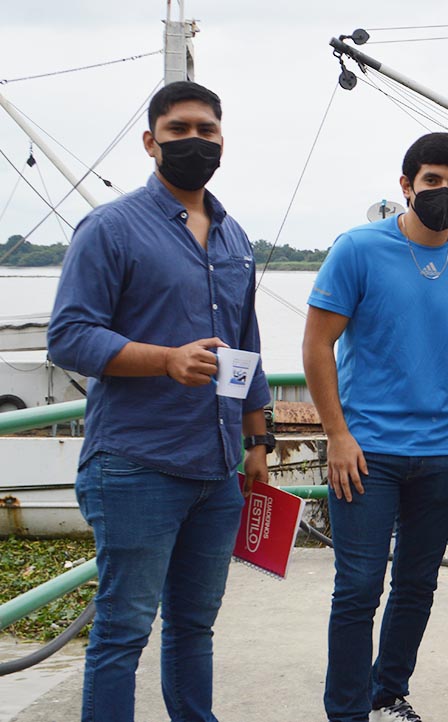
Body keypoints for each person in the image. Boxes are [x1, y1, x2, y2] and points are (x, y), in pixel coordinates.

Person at [47, 80, 271, 722]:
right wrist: (165, 359)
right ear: (151, 141)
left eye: (207, 131)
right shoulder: (110, 228)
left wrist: (256, 442)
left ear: (222, 142)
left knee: (195, 627)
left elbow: (246, 344)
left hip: (218, 469)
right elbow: (69, 335)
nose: (194, 141)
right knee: (122, 631)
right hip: (137, 465)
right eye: (179, 130)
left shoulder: (234, 238)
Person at [302, 132, 448, 722]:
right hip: (365, 449)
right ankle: (347, 711)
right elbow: (316, 345)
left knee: (417, 585)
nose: (444, 191)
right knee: (358, 587)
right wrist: (337, 433)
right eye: (432, 180)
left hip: (440, 449)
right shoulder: (359, 249)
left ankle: (388, 694)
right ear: (406, 184)